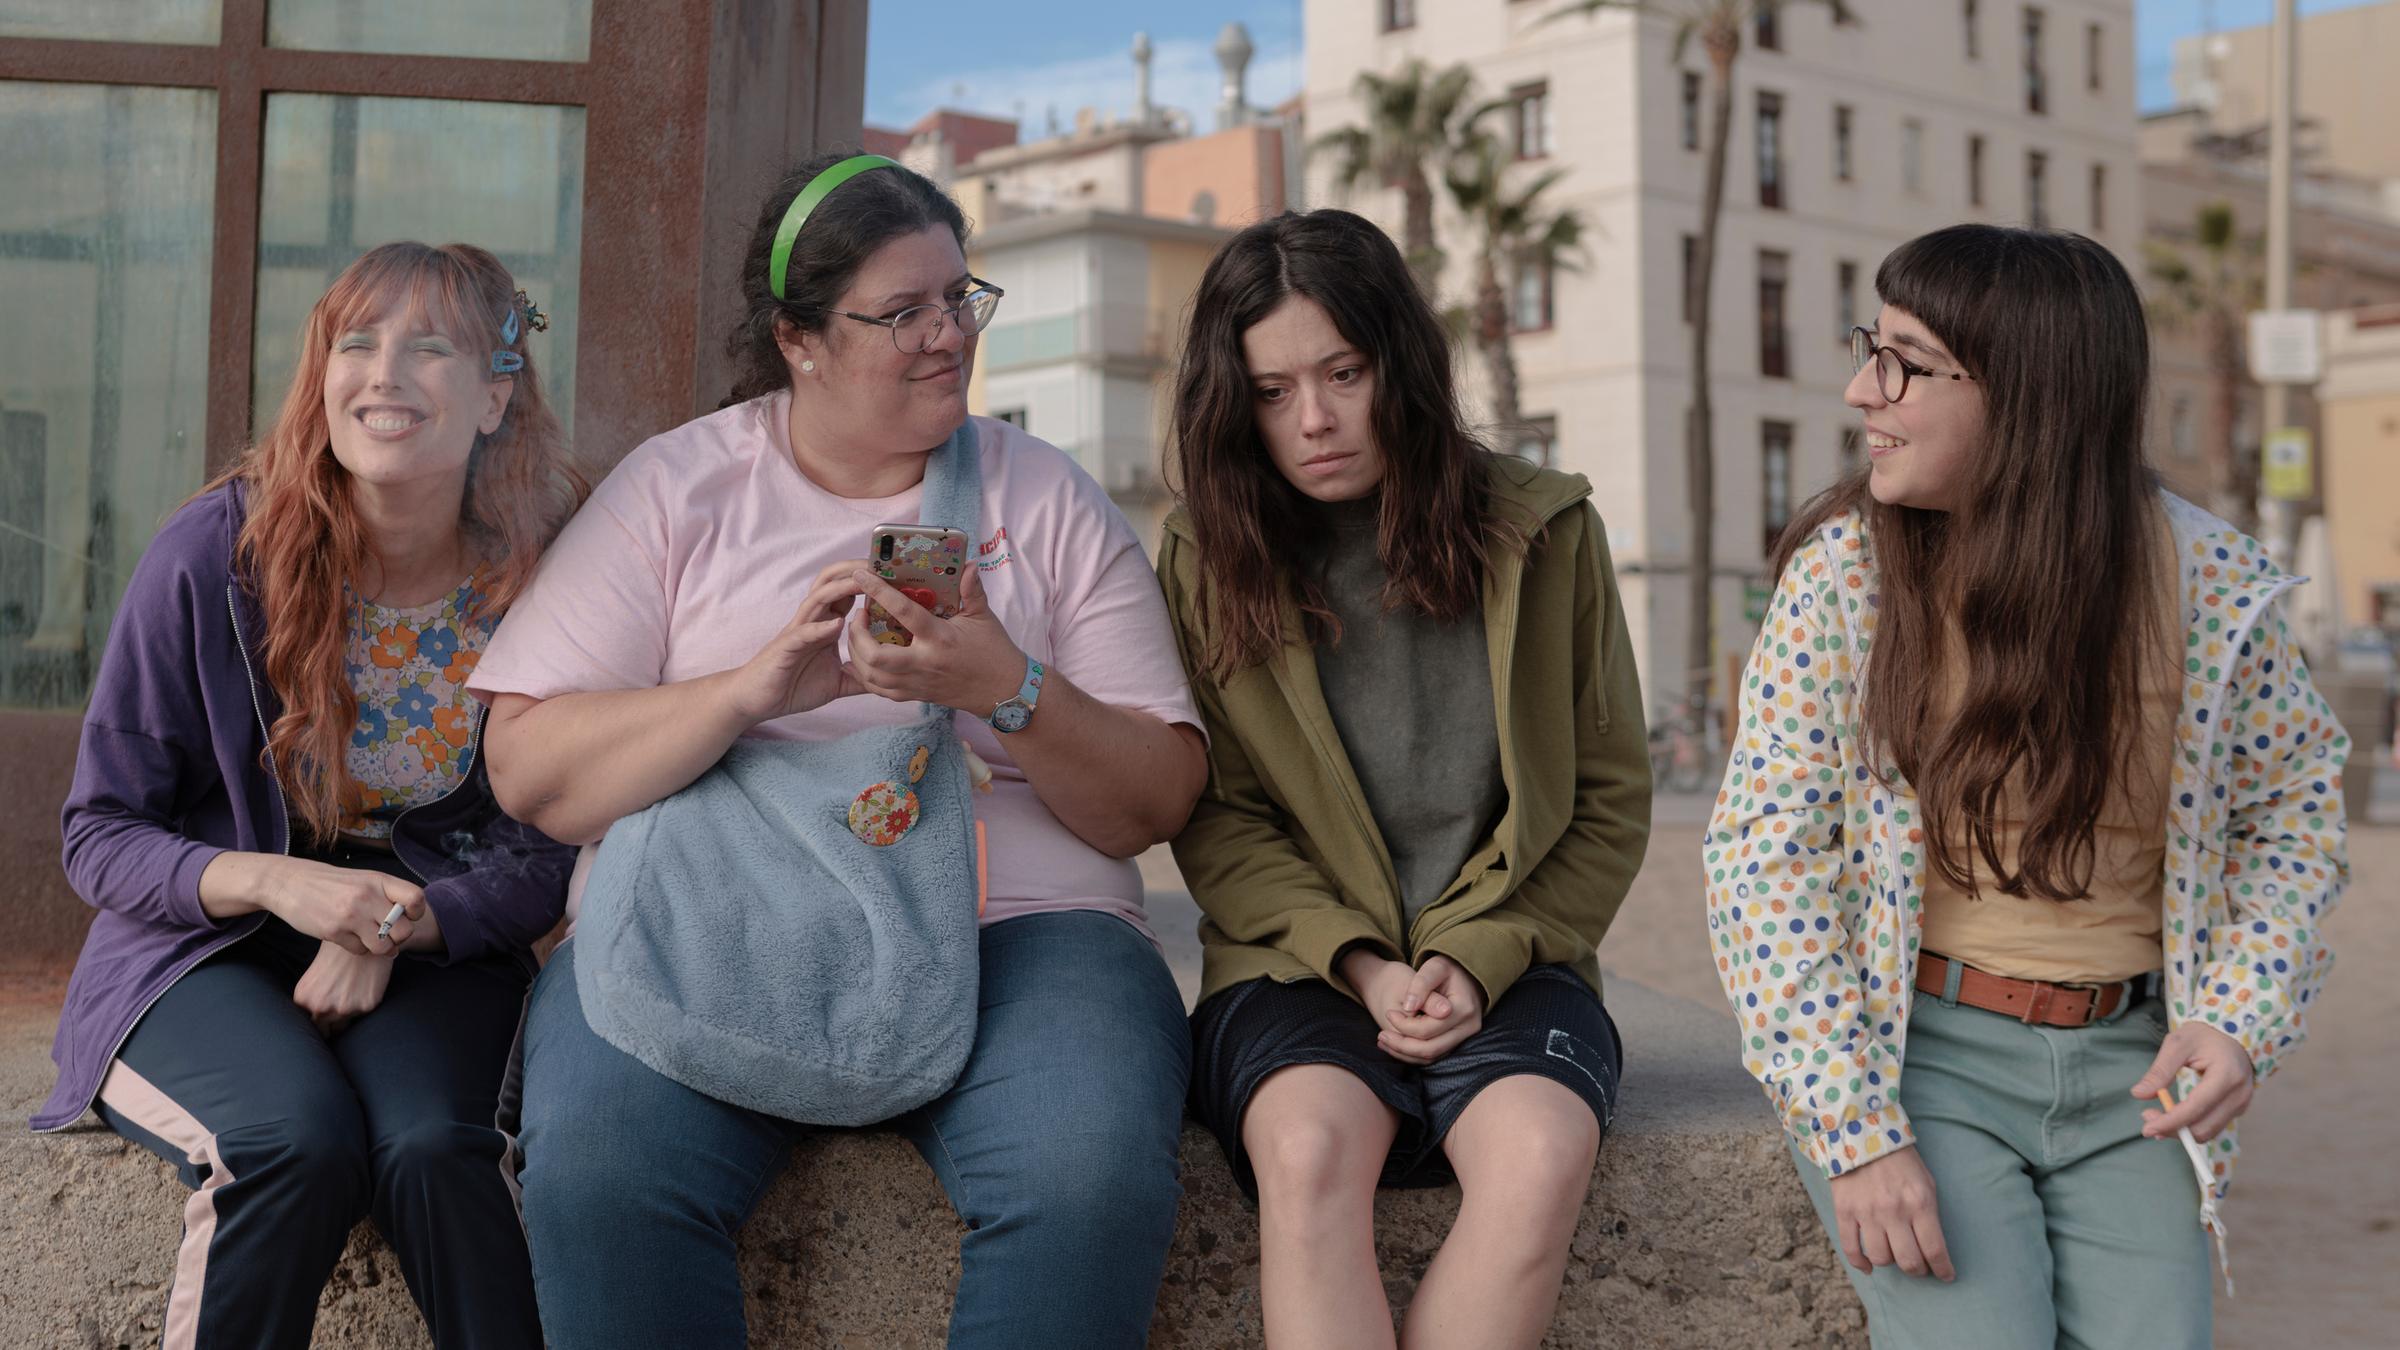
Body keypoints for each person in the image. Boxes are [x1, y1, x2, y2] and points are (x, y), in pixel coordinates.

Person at [472, 151, 1209, 1349]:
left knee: (1087, 1178)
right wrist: (751, 688)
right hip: (713, 914)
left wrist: (1008, 688)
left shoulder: (1051, 499)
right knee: (603, 1175)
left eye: (960, 299)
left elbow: (1156, 799)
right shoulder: (679, 487)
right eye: (900, 312)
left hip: (1021, 931)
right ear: (799, 340)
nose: (947, 337)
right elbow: (532, 772)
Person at [1706, 223, 2350, 1348]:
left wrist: (2237, 1018)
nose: (1864, 388)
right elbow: (1765, 861)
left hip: (2133, 1080)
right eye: (1874, 346)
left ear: (2030, 397)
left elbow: (2291, 809)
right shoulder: (1846, 582)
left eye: (1905, 361)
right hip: (1920, 1062)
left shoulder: (2210, 585)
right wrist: (1857, 1133)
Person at [36, 241, 586, 1349]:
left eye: (429, 348)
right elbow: (99, 832)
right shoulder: (216, 553)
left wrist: (401, 919)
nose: (382, 374)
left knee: (438, 1151)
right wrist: (286, 885)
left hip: (437, 947)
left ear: (495, 396)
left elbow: (558, 837)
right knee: (291, 1140)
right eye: (357, 342)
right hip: (201, 949)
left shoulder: (550, 570)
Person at [1156, 208, 1652, 1349]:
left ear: (1402, 367)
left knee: (1536, 1156)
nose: (1315, 420)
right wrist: (1368, 966)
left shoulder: (1544, 530)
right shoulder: (1204, 556)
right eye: (1272, 391)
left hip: (1516, 950)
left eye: (1344, 372)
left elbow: (1613, 797)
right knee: (1310, 1153)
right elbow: (1218, 819)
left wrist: (1477, 958)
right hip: (1299, 965)